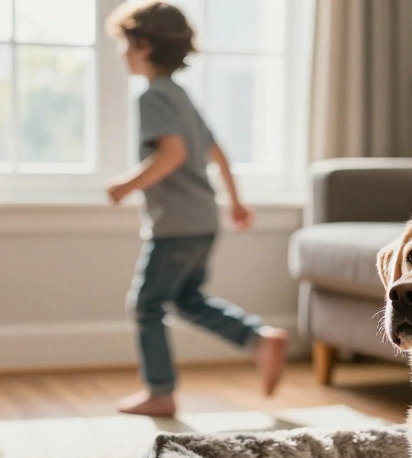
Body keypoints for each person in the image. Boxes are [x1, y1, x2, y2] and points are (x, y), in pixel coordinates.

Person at [104, 1, 287, 419]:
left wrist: (125, 185)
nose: (120, 53)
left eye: (124, 44)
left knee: (147, 305)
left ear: (143, 45)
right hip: (203, 220)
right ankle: (258, 338)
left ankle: (160, 391)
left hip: (176, 226)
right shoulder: (180, 94)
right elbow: (216, 151)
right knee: (187, 299)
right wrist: (236, 202)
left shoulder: (152, 97)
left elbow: (173, 153)